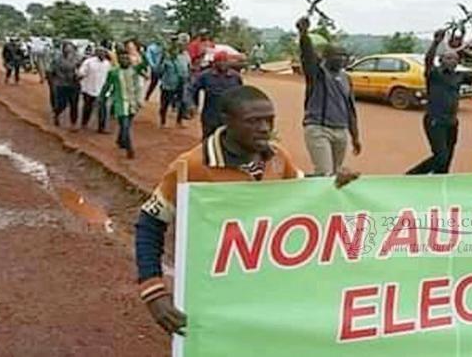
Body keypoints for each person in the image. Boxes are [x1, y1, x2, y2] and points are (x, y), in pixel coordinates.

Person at [134, 85, 359, 335]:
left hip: (264, 285)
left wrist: (331, 182)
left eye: (269, 120)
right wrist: (153, 290)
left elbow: (300, 191)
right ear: (227, 121)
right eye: (253, 121)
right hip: (213, 289)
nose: (264, 128)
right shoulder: (192, 167)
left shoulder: (277, 158)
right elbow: (150, 223)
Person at [296, 17, 361, 176]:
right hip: (318, 128)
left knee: (335, 173)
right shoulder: (317, 74)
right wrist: (304, 34)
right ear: (326, 57)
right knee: (324, 172)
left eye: (344, 55)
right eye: (337, 55)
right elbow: (308, 56)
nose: (341, 59)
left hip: (341, 130)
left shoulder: (346, 78)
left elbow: (350, 109)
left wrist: (355, 137)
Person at [407, 29, 462, 175]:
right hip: (435, 121)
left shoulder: (459, 76)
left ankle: (439, 182)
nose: (453, 61)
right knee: (441, 157)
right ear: (441, 60)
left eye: (455, 58)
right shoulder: (434, 74)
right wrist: (436, 42)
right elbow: (428, 60)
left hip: (452, 122)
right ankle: (412, 175)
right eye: (449, 58)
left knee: (447, 160)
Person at [99, 45, 147, 159]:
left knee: (127, 124)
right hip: (120, 103)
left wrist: (142, 52)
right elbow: (106, 86)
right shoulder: (114, 72)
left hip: (132, 103)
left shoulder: (134, 70)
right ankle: (129, 149)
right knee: (125, 125)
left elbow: (145, 64)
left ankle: (120, 140)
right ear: (119, 60)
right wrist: (102, 97)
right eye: (122, 58)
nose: (125, 60)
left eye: (127, 58)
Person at [191, 51, 243, 138]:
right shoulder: (205, 76)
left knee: (226, 141)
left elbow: (241, 95)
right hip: (210, 116)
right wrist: (191, 104)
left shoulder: (235, 77)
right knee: (208, 140)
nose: (222, 63)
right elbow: (191, 89)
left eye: (225, 61)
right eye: (219, 61)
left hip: (228, 117)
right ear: (214, 63)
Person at [78, 47, 111, 131]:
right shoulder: (89, 62)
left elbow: (109, 77)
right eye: (100, 52)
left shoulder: (108, 64)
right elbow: (81, 72)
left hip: (102, 90)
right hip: (88, 89)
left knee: (102, 109)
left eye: (104, 53)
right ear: (96, 53)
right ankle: (84, 123)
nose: (102, 54)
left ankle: (101, 127)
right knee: (88, 108)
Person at [51, 42, 82, 130]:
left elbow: (81, 69)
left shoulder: (77, 58)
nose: (68, 50)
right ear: (63, 49)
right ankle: (57, 114)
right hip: (62, 84)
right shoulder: (57, 59)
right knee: (62, 104)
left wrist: (79, 75)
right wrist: (54, 82)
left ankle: (73, 123)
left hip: (74, 84)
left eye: (70, 48)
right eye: (66, 48)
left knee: (74, 104)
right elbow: (53, 71)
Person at [157, 42, 187, 128]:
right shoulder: (166, 61)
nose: (175, 52)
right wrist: (161, 61)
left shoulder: (183, 58)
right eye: (173, 50)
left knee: (182, 102)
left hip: (180, 84)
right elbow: (159, 71)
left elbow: (186, 69)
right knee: (164, 104)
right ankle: (163, 122)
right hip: (167, 85)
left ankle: (179, 121)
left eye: (176, 50)